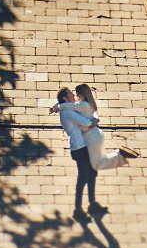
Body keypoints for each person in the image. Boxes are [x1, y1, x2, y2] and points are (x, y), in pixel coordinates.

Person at [53, 85, 140, 223]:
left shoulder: (66, 108)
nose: (74, 96)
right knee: (83, 178)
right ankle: (78, 209)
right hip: (79, 148)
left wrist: (58, 105)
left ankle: (92, 204)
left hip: (83, 146)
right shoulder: (68, 112)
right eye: (71, 94)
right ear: (65, 98)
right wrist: (94, 121)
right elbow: (86, 123)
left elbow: (68, 106)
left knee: (92, 174)